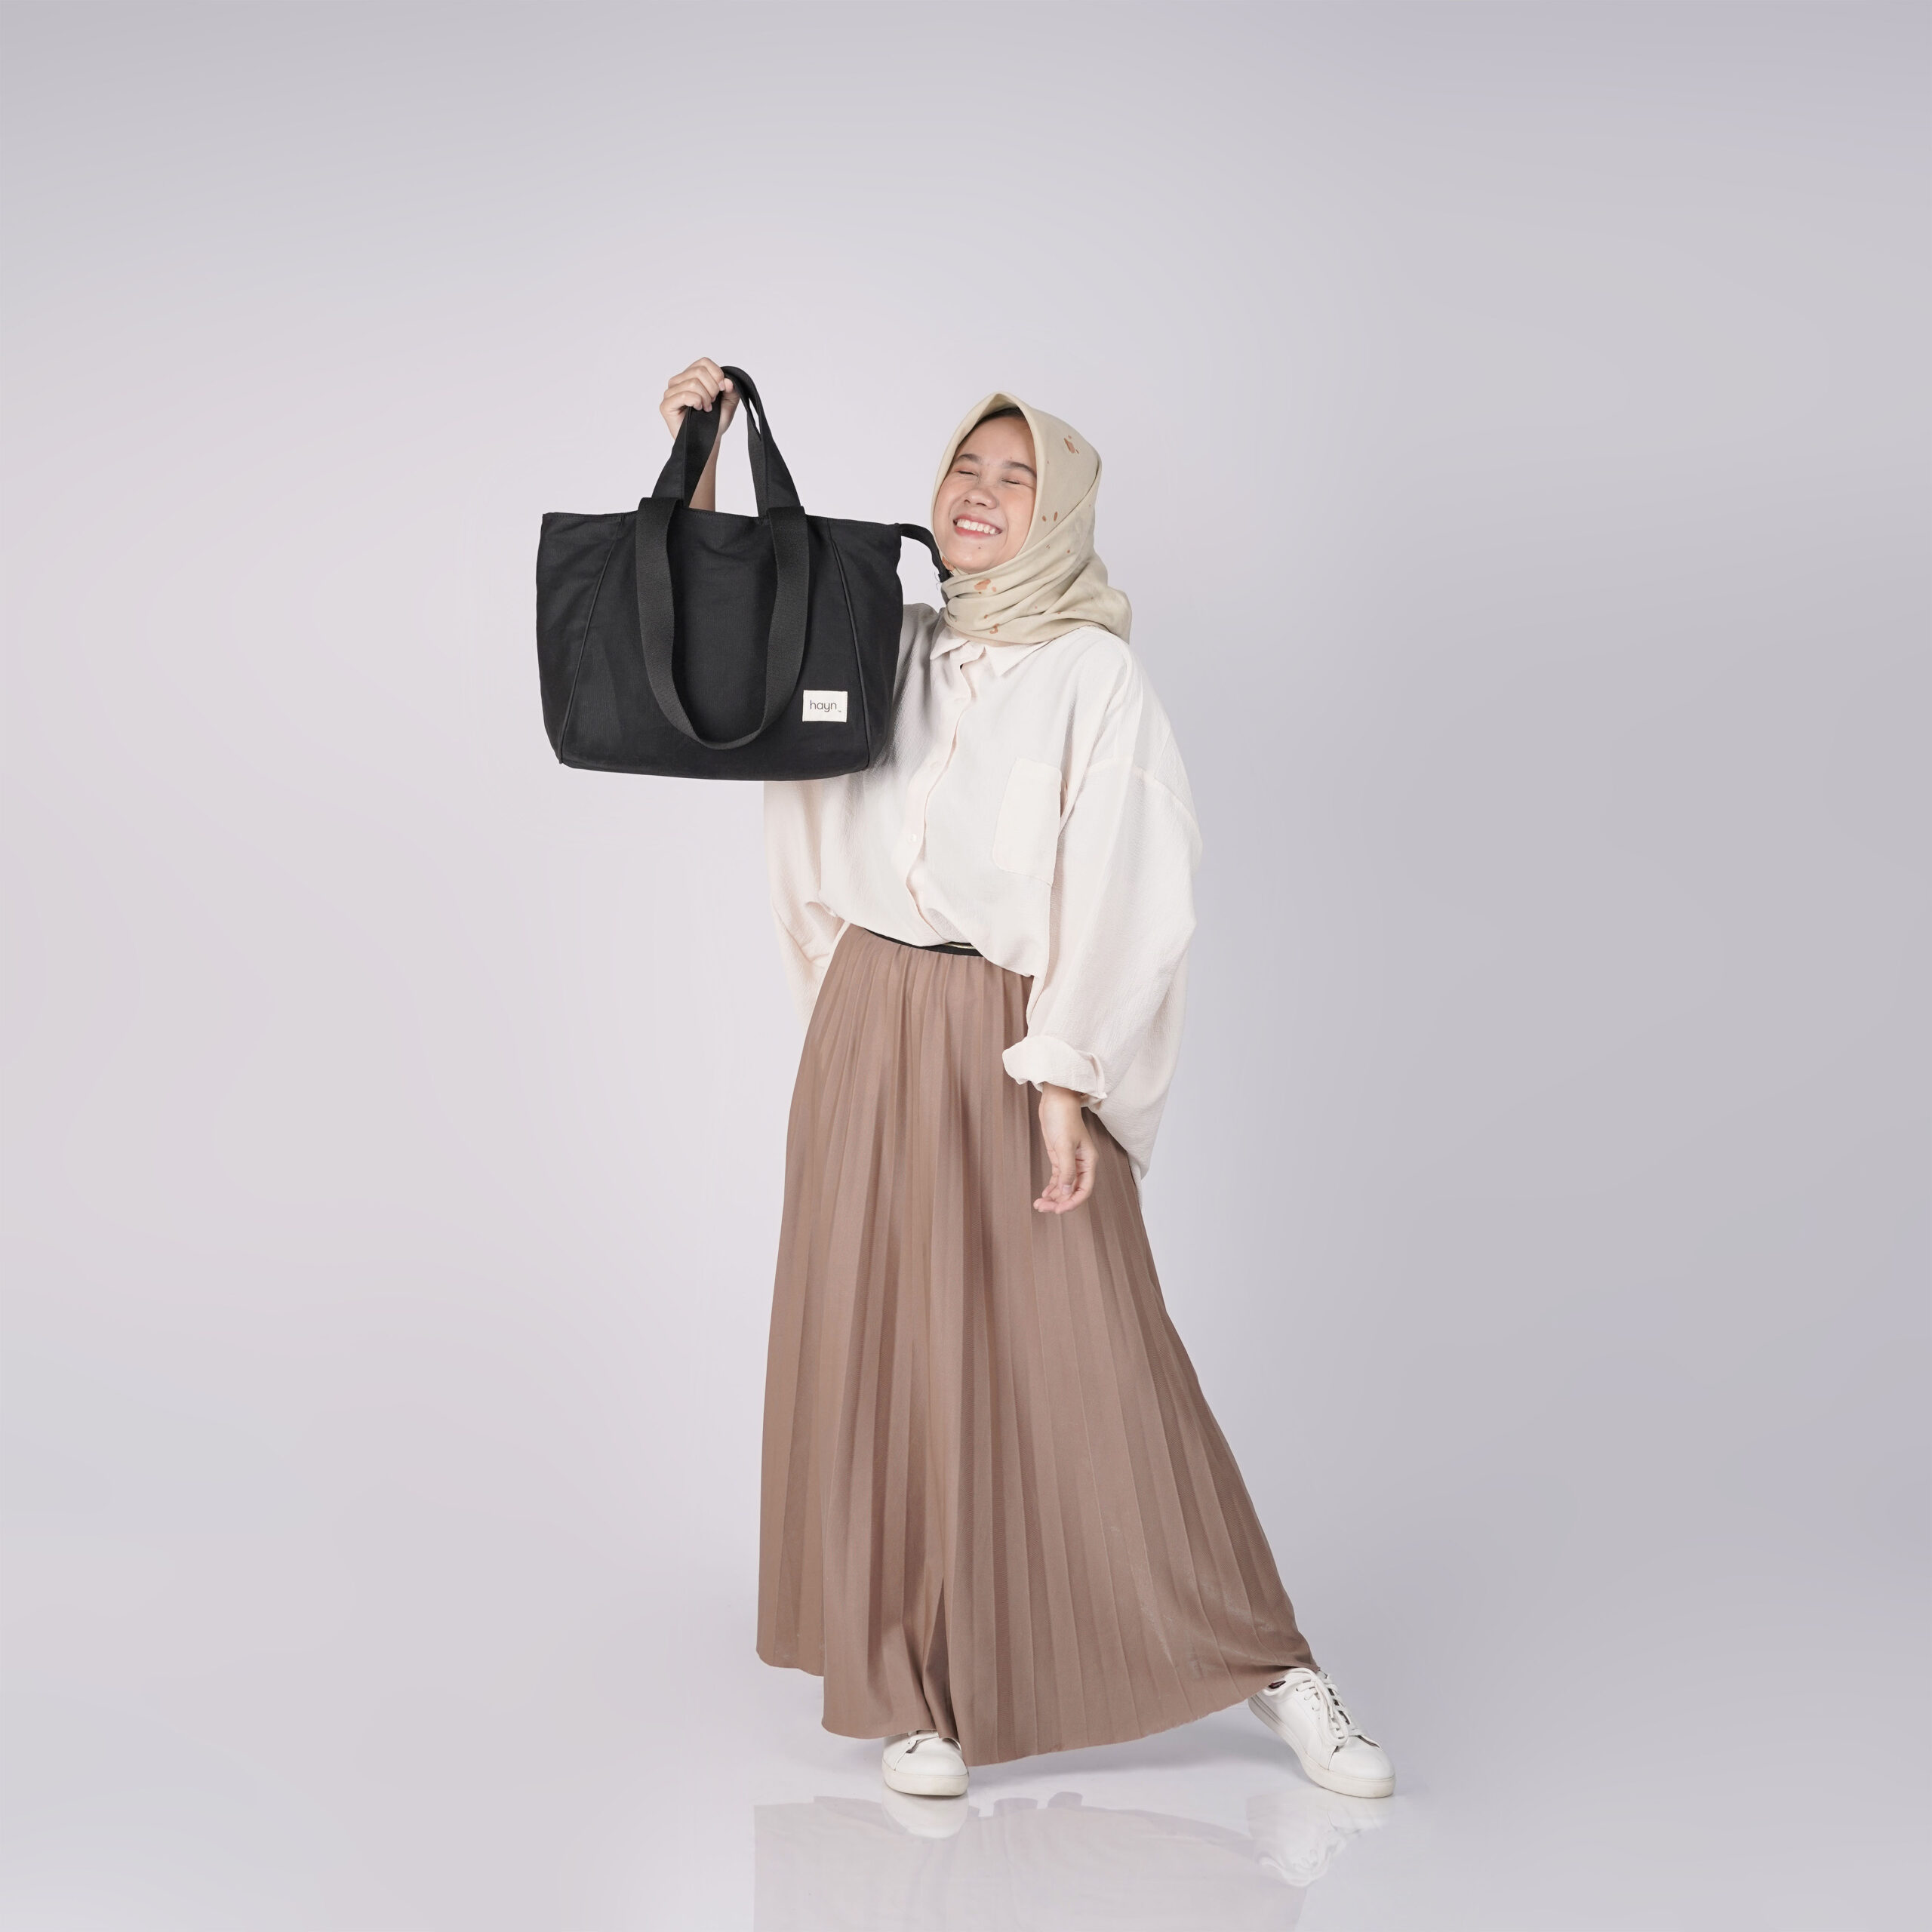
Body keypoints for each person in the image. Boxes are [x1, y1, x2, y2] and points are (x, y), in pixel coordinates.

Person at [657, 358, 1396, 1806]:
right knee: (880, 1348)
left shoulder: (1092, 676)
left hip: (1018, 1034)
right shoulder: (879, 634)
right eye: (967, 470)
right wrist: (700, 454)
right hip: (869, 1014)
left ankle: (1268, 1662)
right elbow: (712, 639)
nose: (982, 496)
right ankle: (911, 1683)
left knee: (1096, 1351)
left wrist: (1067, 1074)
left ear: (1059, 515)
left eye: (1018, 479)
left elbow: (1131, 877)